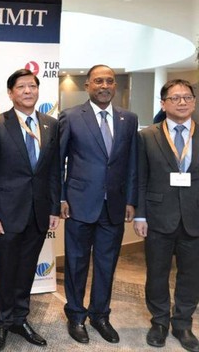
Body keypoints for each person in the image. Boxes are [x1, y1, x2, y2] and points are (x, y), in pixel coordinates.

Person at [0, 69, 60, 350]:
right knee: (6, 269)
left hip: (38, 212)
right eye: (21, 87)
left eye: (32, 86)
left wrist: (54, 208)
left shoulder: (51, 124)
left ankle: (20, 318)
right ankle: (1, 322)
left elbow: (52, 173)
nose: (28, 91)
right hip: (7, 213)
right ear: (11, 93)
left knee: (26, 269)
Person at [59, 64, 138, 344]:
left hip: (114, 206)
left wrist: (131, 200)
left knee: (107, 264)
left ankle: (100, 315)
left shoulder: (129, 119)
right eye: (98, 81)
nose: (104, 86)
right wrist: (60, 197)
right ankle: (76, 315)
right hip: (80, 203)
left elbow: (131, 164)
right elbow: (58, 162)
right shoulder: (70, 117)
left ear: (115, 85)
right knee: (77, 263)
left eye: (109, 81)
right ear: (87, 85)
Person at [134, 79, 199, 352]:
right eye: (175, 98)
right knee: (157, 273)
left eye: (187, 97)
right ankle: (159, 322)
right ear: (163, 103)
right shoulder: (147, 135)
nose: (182, 102)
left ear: (194, 102)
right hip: (158, 216)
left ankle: (183, 324)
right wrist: (140, 216)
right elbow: (140, 178)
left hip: (195, 217)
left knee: (192, 274)